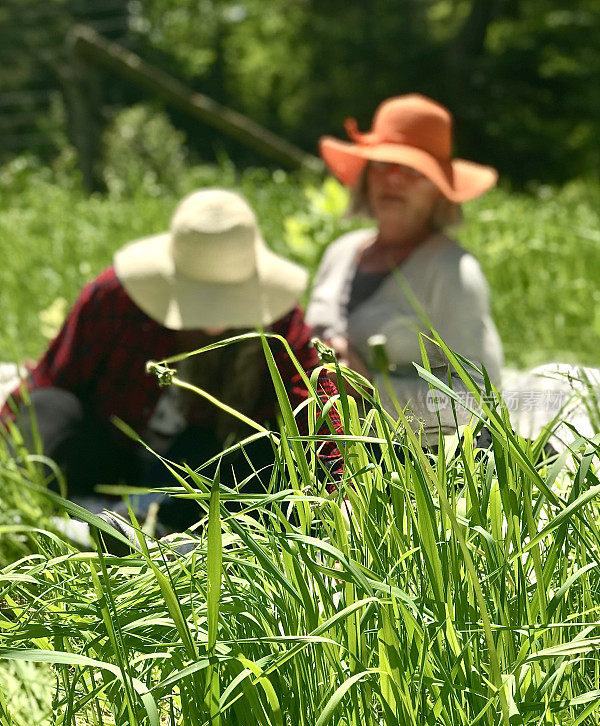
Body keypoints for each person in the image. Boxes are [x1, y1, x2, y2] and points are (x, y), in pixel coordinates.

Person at [3, 189, 343, 538]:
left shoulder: (278, 324)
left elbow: (314, 406)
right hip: (107, 457)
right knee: (46, 409)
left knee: (261, 454)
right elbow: (51, 381)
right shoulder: (114, 298)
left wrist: (341, 494)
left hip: (201, 473)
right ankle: (91, 520)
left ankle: (134, 529)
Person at [306, 94, 503, 439]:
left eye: (413, 171)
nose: (393, 179)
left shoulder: (453, 271)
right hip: (319, 451)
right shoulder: (340, 251)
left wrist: (370, 388)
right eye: (382, 165)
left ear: (440, 192)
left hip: (418, 470)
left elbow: (478, 395)